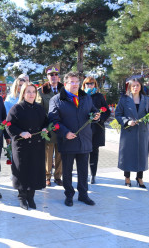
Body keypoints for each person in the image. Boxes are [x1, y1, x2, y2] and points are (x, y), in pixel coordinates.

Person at [48, 72, 100, 207]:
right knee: (67, 171)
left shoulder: (86, 97)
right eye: (72, 82)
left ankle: (83, 195)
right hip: (68, 141)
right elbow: (53, 121)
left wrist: (96, 115)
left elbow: (93, 110)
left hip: (85, 140)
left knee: (83, 170)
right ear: (65, 84)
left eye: (77, 82)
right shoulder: (56, 100)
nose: (76, 84)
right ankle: (69, 195)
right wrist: (65, 133)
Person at [6, 83, 48, 210]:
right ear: (23, 93)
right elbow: (9, 125)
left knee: (34, 171)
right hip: (22, 146)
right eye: (28, 92)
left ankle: (31, 196)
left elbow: (46, 122)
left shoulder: (39, 108)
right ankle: (22, 197)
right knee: (23, 171)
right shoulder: (16, 108)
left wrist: (46, 128)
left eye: (33, 92)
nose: (31, 94)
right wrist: (20, 132)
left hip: (37, 146)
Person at [115, 78, 149, 189]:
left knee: (141, 154)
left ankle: (139, 178)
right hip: (129, 131)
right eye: (133, 86)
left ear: (141, 86)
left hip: (142, 131)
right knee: (128, 154)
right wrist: (127, 121)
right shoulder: (124, 99)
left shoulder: (146, 99)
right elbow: (118, 114)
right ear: (130, 87)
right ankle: (127, 177)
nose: (135, 87)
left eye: (138, 85)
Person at [36, 66, 64, 187]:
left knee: (60, 153)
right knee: (48, 153)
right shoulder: (41, 91)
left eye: (55, 75)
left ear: (58, 77)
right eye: (51, 75)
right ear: (47, 77)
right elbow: (39, 111)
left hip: (62, 127)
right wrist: (44, 126)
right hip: (48, 127)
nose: (53, 77)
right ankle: (47, 176)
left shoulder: (64, 90)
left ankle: (58, 176)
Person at [81, 77, 111, 184]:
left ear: (95, 85)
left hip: (96, 128)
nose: (89, 85)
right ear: (84, 85)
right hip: (83, 129)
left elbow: (107, 111)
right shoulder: (81, 95)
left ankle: (93, 174)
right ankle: (83, 174)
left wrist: (100, 118)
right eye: (87, 83)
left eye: (92, 83)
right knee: (83, 153)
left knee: (94, 152)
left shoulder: (99, 96)